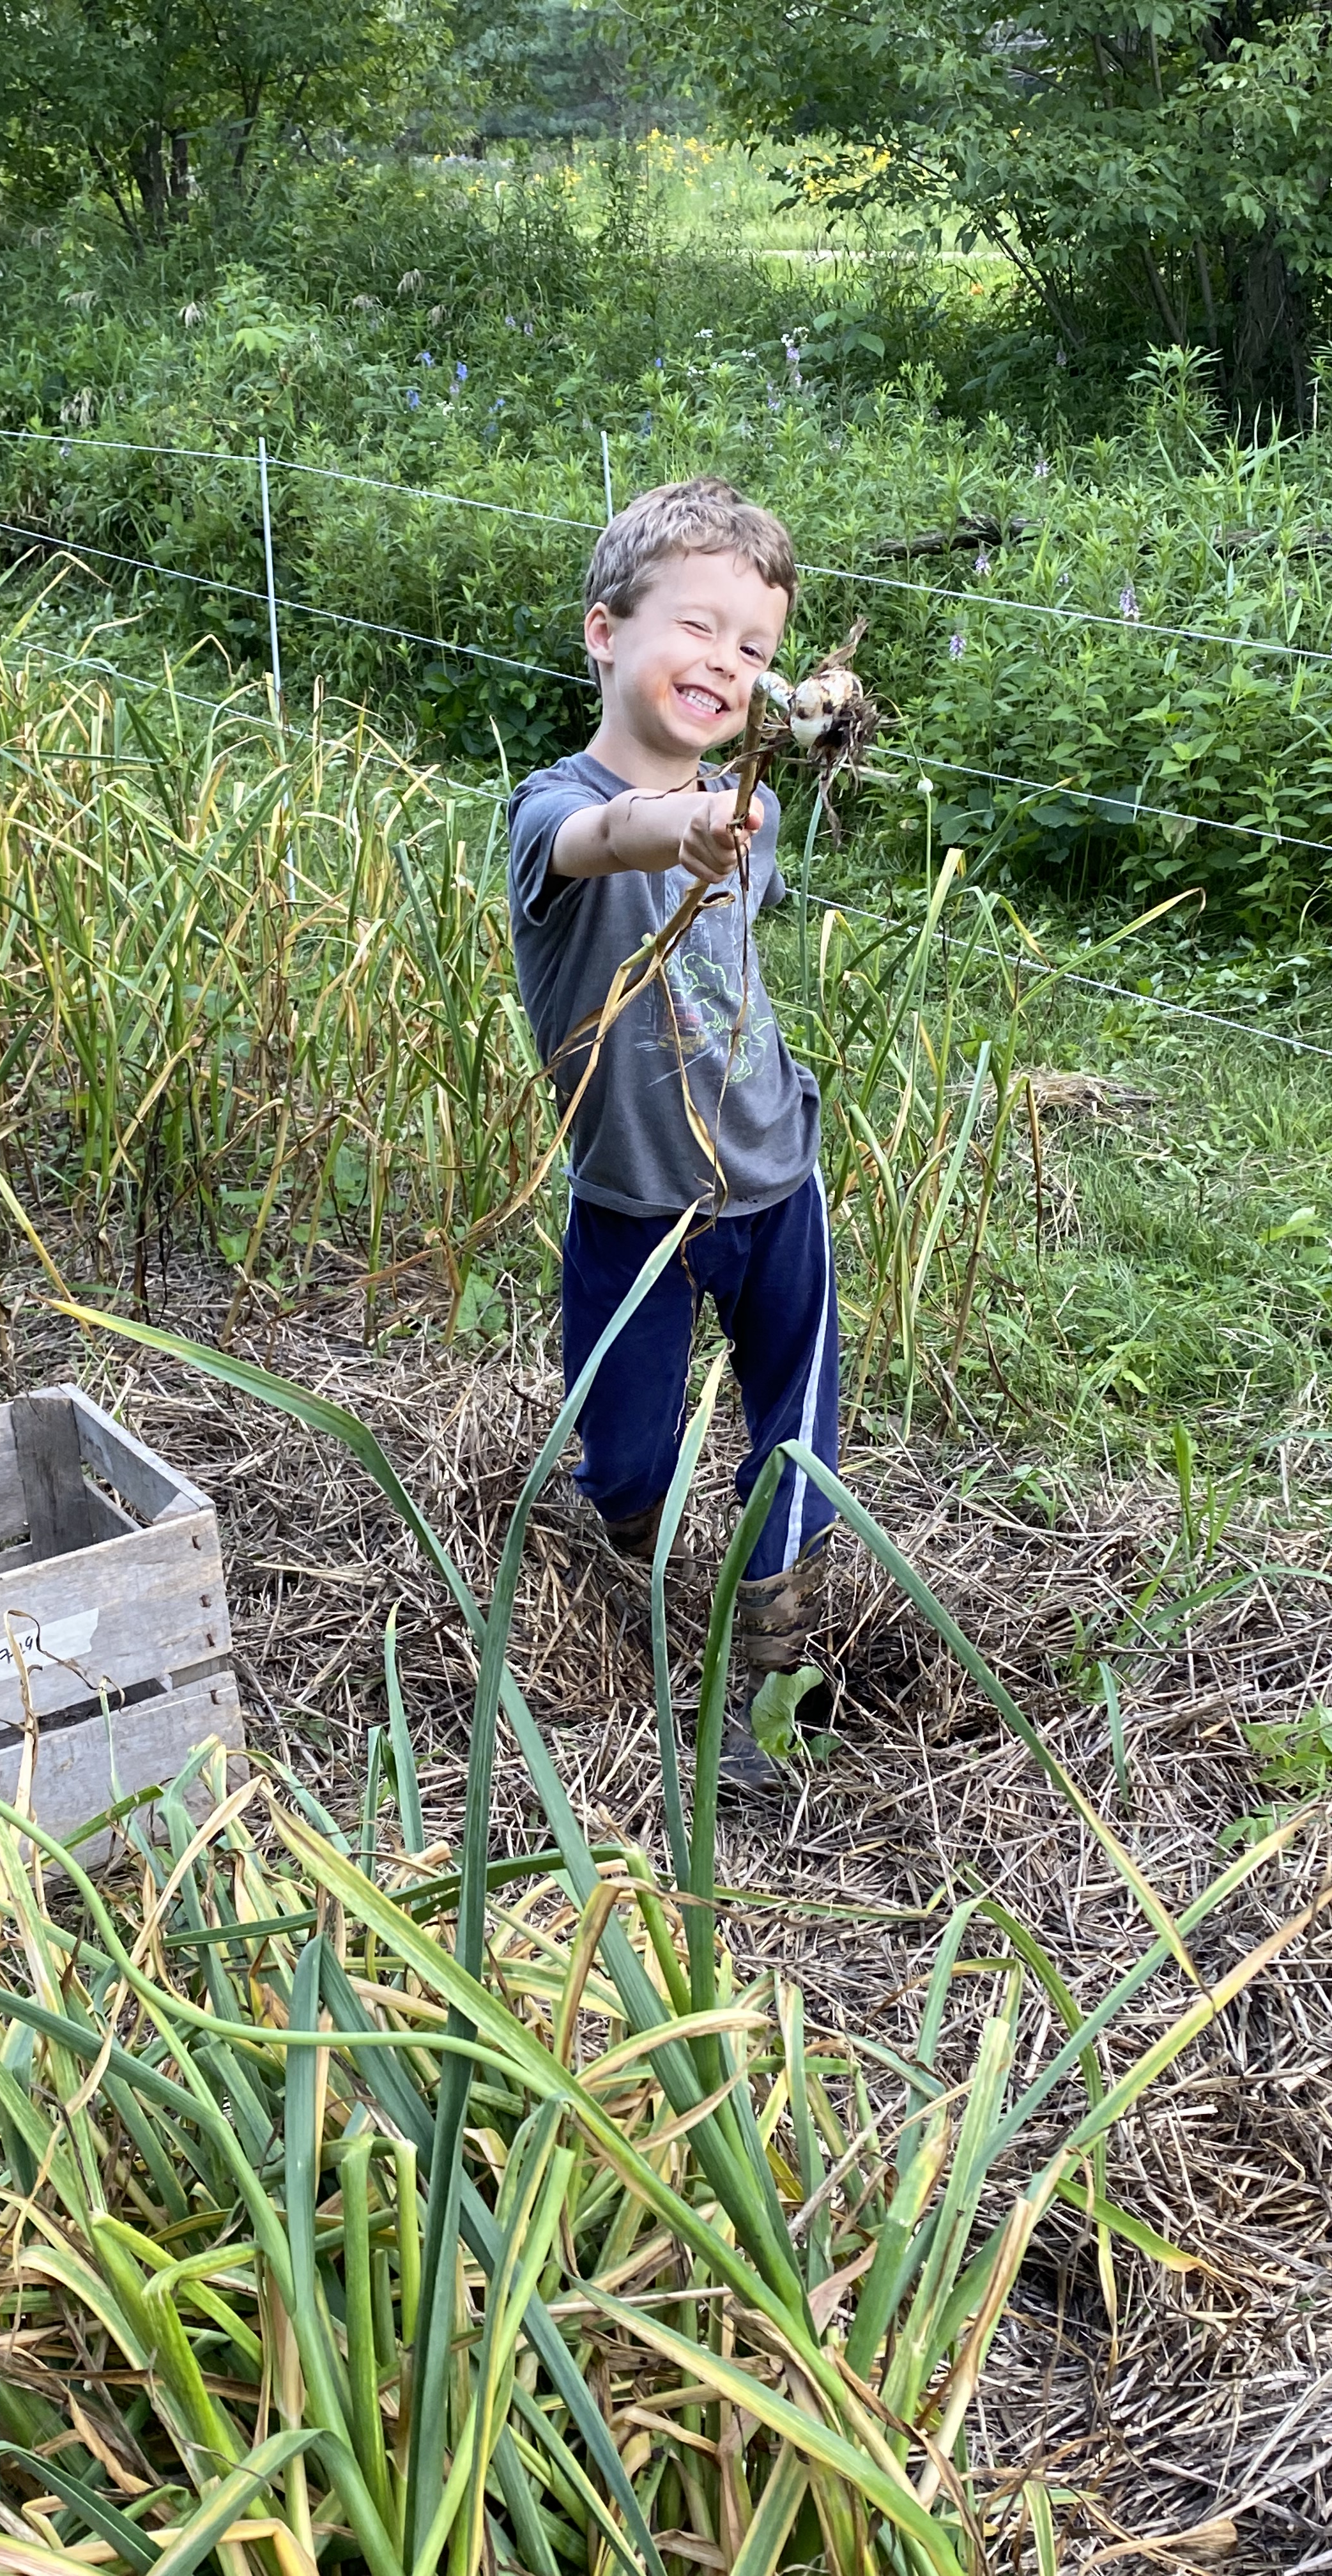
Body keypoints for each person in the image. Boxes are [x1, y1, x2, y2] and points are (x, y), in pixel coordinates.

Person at [505, 477, 839, 1792]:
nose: (728, 663)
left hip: (775, 1184)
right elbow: (606, 835)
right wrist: (688, 820)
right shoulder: (555, 813)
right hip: (636, 1211)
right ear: (605, 631)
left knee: (796, 1434)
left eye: (753, 648)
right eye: (697, 628)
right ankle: (621, 1613)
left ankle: (768, 1686)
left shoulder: (748, 811)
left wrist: (728, 813)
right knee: (630, 1456)